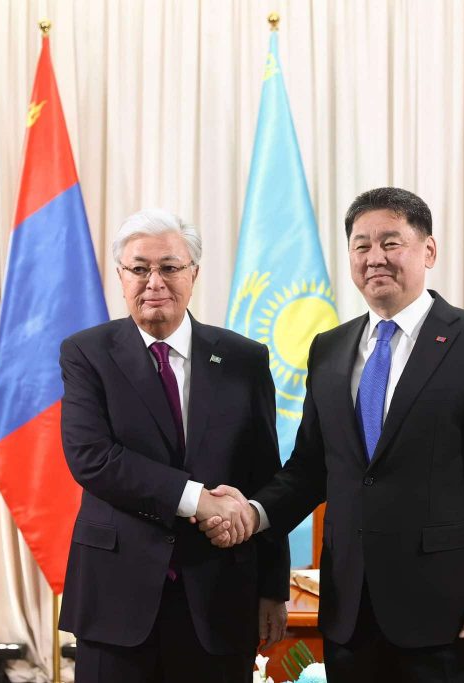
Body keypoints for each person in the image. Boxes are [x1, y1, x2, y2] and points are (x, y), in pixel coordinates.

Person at [201, 188, 464, 682]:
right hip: (350, 614)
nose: (374, 257)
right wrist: (253, 513)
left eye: (390, 242)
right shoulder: (329, 349)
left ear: (428, 251)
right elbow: (311, 469)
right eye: (361, 246)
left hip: (446, 613)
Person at [57, 209, 289, 683]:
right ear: (121, 276)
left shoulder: (244, 359)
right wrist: (197, 500)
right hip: (116, 597)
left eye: (169, 267)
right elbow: (92, 458)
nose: (154, 282)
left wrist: (273, 588)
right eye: (139, 268)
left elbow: (265, 475)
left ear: (194, 273)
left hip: (220, 597)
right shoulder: (86, 353)